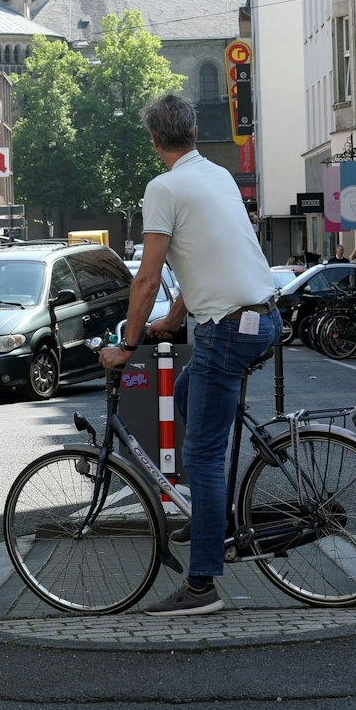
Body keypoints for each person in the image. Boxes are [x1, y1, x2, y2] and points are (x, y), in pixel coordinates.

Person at [99, 94, 279, 617]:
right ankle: (210, 517)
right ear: (194, 134)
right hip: (264, 316)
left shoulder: (164, 188)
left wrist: (127, 346)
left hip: (228, 330)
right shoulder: (219, 176)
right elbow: (207, 257)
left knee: (201, 453)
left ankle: (202, 586)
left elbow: (148, 276)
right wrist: (173, 322)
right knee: (183, 396)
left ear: (155, 141)